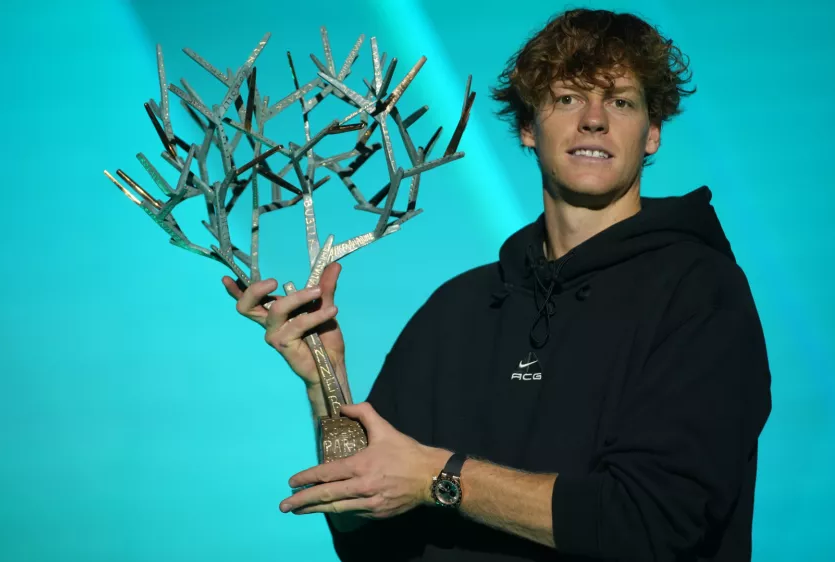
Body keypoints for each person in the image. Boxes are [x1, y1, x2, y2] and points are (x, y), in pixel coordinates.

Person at [222, 8, 772, 561]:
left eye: (621, 101)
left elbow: (650, 524)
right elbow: (369, 539)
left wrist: (441, 477)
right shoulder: (457, 309)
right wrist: (326, 377)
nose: (594, 120)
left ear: (652, 133)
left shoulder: (700, 294)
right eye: (568, 98)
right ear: (529, 127)